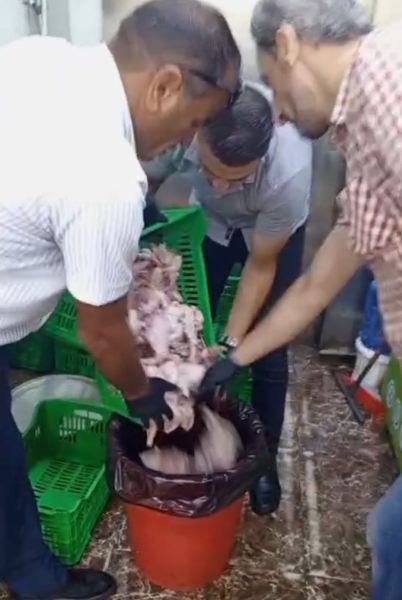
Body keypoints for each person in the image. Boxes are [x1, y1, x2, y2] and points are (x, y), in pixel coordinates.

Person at [0, 1, 241, 598]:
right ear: (164, 86)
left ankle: (32, 574)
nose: (186, 141)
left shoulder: (41, 58)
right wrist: (142, 393)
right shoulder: (105, 178)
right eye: (192, 123)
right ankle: (36, 579)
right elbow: (102, 333)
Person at [198, 1, 402, 599]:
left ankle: (265, 466)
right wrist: (234, 355)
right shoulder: (361, 131)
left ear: (288, 45)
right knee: (388, 534)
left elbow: (273, 269)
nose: (280, 112)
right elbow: (315, 286)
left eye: (275, 85)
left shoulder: (389, 94)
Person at [144, 83, 312, 515]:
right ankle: (187, 436)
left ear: (261, 159)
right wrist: (143, 199)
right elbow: (149, 169)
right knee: (190, 325)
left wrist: (233, 346)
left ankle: (263, 460)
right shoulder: (187, 124)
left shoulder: (288, 175)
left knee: (267, 351)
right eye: (208, 170)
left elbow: (260, 267)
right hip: (212, 226)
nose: (218, 186)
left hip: (270, 234)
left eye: (234, 178)